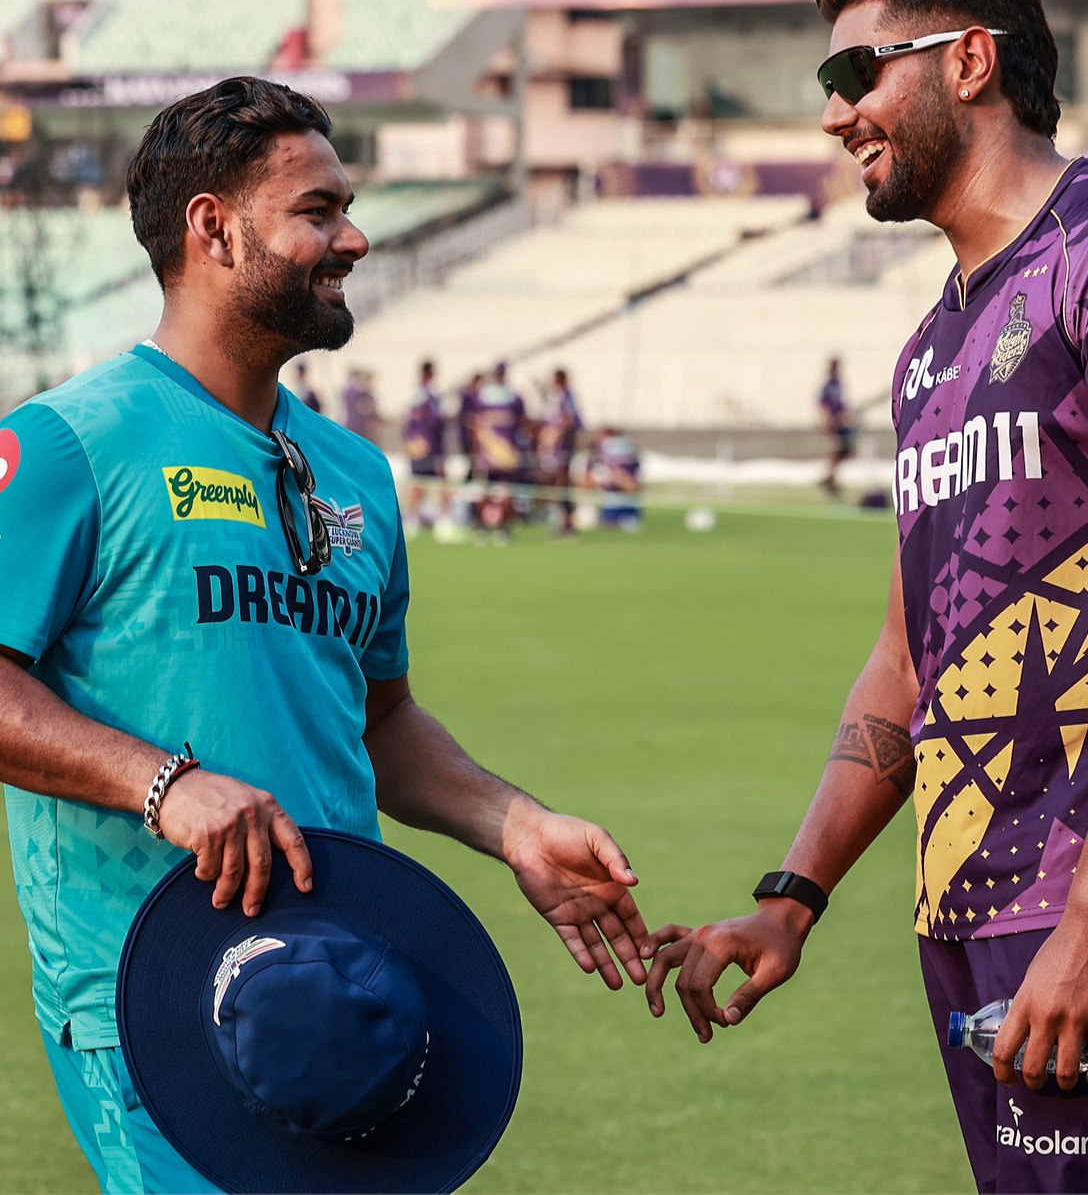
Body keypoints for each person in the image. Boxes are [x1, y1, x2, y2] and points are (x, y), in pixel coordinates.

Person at [0, 76, 650, 1194]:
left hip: (344, 999)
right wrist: (163, 785)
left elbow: (381, 722)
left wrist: (514, 826)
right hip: (155, 1001)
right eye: (318, 210)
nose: (353, 237)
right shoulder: (69, 444)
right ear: (213, 228)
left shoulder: (355, 472)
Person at [643, 0, 1088, 1194]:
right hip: (967, 907)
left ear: (969, 61)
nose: (833, 114)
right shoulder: (927, 353)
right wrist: (793, 895)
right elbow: (909, 654)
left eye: (855, 75)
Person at [471, 362, 528, 541]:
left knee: (498, 490)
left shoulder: (485, 396)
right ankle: (494, 527)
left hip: (496, 451)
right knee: (494, 490)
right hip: (499, 451)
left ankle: (493, 527)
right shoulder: (511, 396)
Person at [537, 367, 584, 534]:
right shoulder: (557, 397)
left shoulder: (566, 396)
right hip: (555, 449)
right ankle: (562, 521)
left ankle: (567, 523)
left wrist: (555, 434)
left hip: (562, 449)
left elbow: (571, 419)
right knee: (555, 483)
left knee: (562, 483)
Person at [403, 358, 446, 528]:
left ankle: (416, 518)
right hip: (428, 446)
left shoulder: (418, 394)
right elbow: (429, 421)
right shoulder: (426, 395)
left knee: (421, 481)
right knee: (428, 482)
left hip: (421, 445)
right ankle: (419, 518)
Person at [817, 356, 855, 496]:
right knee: (836, 448)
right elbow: (823, 404)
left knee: (845, 450)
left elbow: (841, 403)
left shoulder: (839, 383)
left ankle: (830, 477)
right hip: (833, 423)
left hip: (840, 422)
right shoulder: (828, 384)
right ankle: (830, 479)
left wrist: (845, 416)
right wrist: (826, 420)